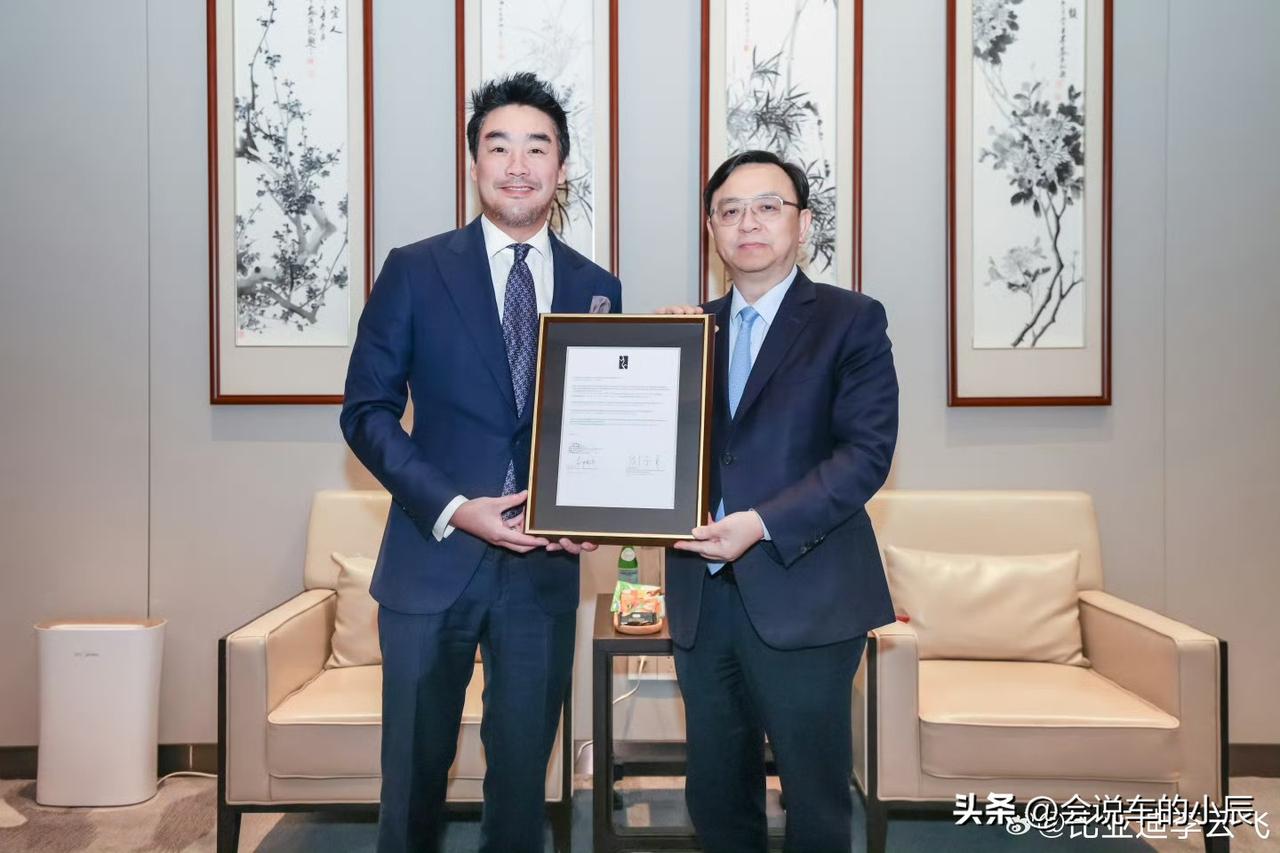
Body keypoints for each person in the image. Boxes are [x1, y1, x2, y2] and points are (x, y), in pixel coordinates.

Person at [340, 72, 621, 853]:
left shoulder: (598, 286)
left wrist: (592, 509)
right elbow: (366, 412)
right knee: (412, 781)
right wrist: (456, 506)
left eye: (538, 147)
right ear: (474, 163)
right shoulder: (415, 269)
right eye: (500, 146)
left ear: (561, 166)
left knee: (523, 789)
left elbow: (596, 422)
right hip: (433, 558)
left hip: (542, 569)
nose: (518, 164)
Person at [659, 150, 898, 853]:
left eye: (768, 207)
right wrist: (658, 357)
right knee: (715, 796)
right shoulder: (689, 329)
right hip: (703, 597)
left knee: (815, 800)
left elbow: (864, 456)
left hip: (808, 594)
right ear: (711, 229)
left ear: (803, 222)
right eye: (729, 211)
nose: (748, 223)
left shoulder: (850, 321)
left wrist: (760, 524)